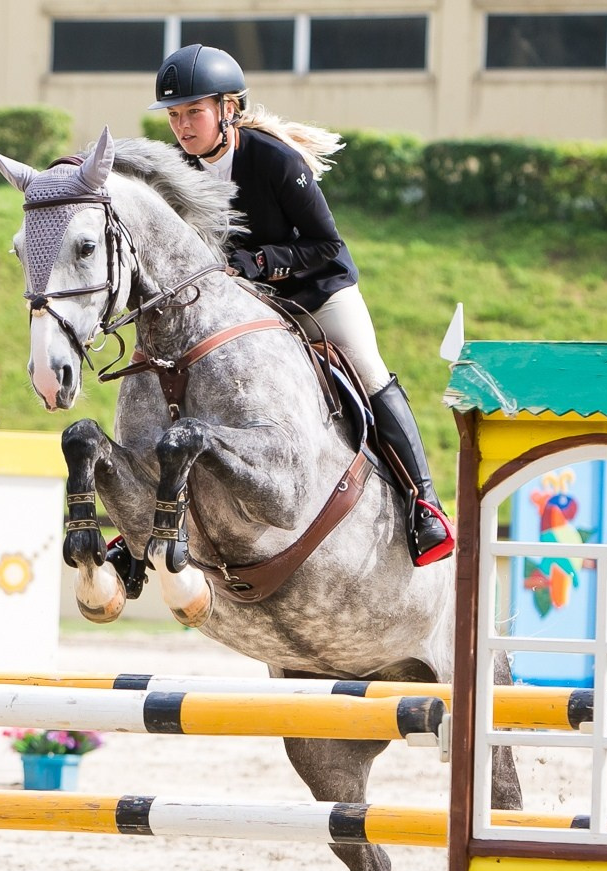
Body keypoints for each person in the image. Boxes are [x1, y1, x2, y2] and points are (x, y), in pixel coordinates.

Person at [150, 42, 453, 566]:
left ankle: (423, 501)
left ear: (229, 109)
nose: (182, 126)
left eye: (193, 112)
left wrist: (259, 263)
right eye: (175, 115)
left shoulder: (274, 160)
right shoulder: (179, 168)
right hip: (243, 301)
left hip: (315, 289)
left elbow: (326, 245)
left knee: (369, 369)